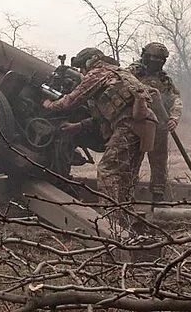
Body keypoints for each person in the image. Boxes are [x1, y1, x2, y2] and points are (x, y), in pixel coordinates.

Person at [42, 47, 158, 229]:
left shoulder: (98, 73)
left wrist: (51, 105)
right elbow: (102, 116)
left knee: (107, 171)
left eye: (81, 67)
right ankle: (125, 221)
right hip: (146, 125)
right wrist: (78, 126)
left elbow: (72, 100)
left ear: (89, 62)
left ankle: (112, 224)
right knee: (126, 175)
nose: (81, 72)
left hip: (129, 125)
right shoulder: (117, 72)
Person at [127, 42, 183, 203]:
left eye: (161, 59)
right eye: (154, 58)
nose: (157, 62)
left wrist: (174, 118)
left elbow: (176, 99)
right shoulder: (131, 73)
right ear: (145, 56)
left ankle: (158, 198)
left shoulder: (165, 80)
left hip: (159, 123)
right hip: (135, 123)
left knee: (159, 161)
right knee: (131, 160)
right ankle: (127, 195)